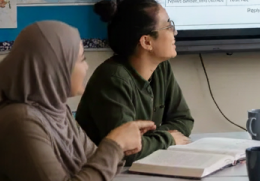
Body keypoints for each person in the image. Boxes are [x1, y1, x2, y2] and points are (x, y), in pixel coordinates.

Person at [0, 21, 155, 181]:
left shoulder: (58, 110)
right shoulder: (19, 120)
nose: (87, 67)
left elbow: (94, 163)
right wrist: (114, 145)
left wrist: (121, 144)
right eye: (82, 59)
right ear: (56, 68)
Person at [76, 0, 194, 164]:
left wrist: (148, 142)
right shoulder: (112, 78)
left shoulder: (161, 67)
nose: (175, 32)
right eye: (168, 26)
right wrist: (167, 138)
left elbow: (184, 121)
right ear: (146, 42)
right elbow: (127, 150)